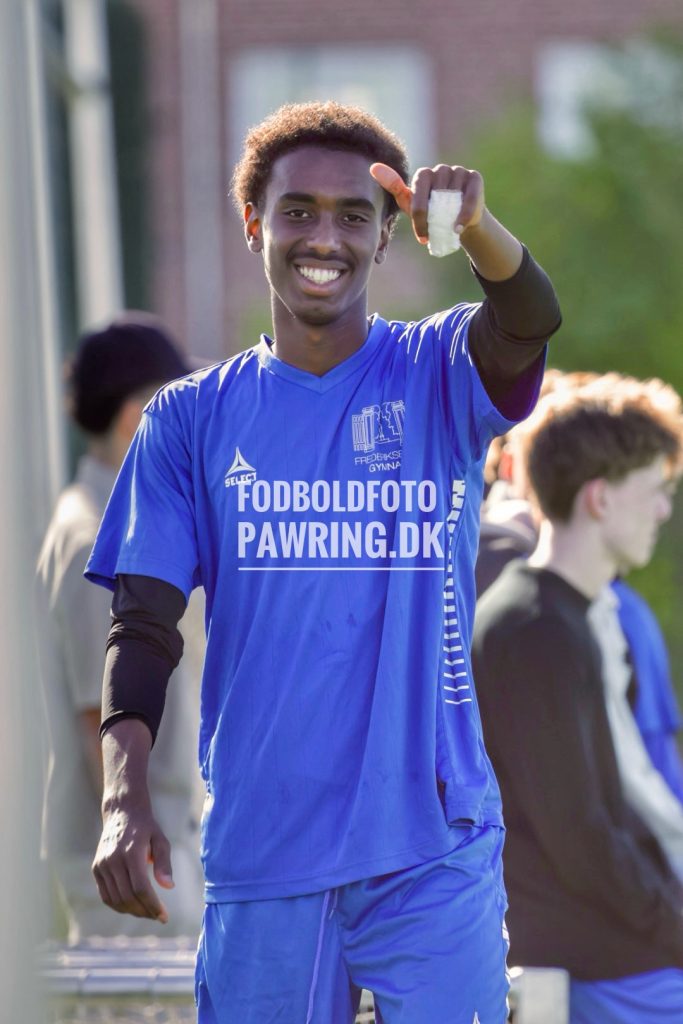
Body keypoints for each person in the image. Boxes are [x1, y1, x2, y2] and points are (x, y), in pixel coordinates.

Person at [84, 101, 561, 1022]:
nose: (323, 238)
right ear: (253, 223)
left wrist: (475, 227)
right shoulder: (188, 419)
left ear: (385, 238)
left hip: (432, 845)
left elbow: (529, 318)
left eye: (353, 216)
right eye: (297, 210)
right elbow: (141, 629)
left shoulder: (438, 371)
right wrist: (122, 798)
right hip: (266, 847)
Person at [472, 377, 683, 1023]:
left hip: (620, 946)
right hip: (592, 959)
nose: (663, 511)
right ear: (599, 497)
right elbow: (581, 839)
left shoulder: (574, 615)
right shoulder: (533, 629)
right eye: (655, 490)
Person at [36, 313, 204, 943]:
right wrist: (138, 845)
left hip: (149, 857)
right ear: (137, 418)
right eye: (174, 409)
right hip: (135, 872)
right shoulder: (93, 537)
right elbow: (96, 718)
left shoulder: (110, 519)